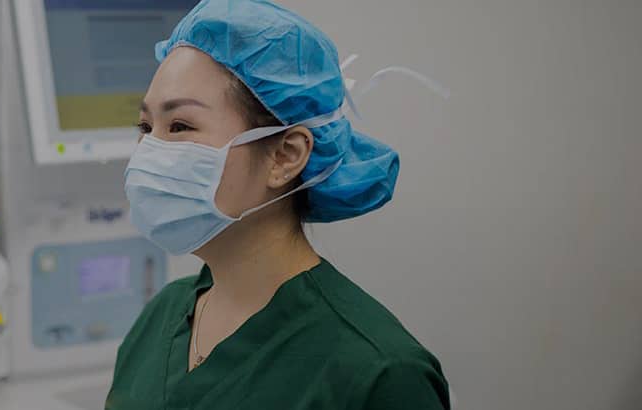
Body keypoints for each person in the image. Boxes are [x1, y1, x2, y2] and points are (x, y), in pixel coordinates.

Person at [105, 0, 450, 408]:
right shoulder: (161, 318)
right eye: (146, 127)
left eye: (179, 126)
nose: (149, 151)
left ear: (285, 156)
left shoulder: (378, 374)